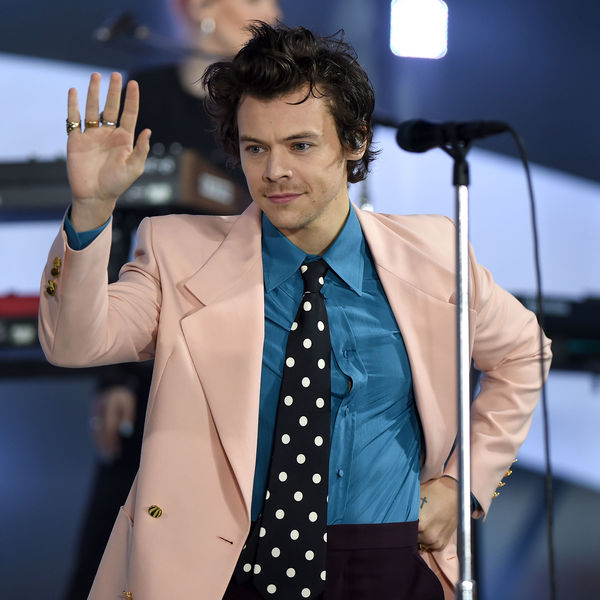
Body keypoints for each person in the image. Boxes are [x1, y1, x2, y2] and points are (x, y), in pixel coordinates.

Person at [40, 23, 551, 600]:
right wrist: (90, 210)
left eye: (300, 145)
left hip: (392, 561)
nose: (274, 170)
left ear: (354, 141)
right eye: (255, 148)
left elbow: (525, 353)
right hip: (228, 568)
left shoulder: (432, 252)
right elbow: (74, 342)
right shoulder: (176, 252)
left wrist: (465, 485)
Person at [63, 2, 282, 598]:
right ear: (199, 8)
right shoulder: (148, 97)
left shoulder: (269, 104)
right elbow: (116, 232)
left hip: (247, 340)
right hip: (151, 342)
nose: (272, 11)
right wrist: (112, 377)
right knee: (125, 531)